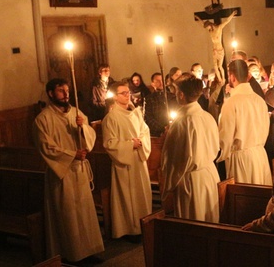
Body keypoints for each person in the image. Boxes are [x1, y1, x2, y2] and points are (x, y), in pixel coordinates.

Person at [33, 78, 104, 262]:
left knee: (84, 212)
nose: (66, 94)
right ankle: (72, 255)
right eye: (60, 91)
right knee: (68, 215)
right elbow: (46, 147)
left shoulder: (77, 112)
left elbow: (90, 136)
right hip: (62, 173)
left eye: (67, 90)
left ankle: (89, 250)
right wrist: (72, 154)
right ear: (50, 94)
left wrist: (82, 128)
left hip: (79, 170)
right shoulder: (43, 119)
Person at [161, 75, 221, 222]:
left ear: (181, 94)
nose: (175, 95)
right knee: (209, 221)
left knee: (193, 223)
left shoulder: (183, 121)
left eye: (176, 92)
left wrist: (166, 140)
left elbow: (176, 159)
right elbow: (216, 146)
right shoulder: (207, 116)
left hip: (190, 181)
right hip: (209, 175)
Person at [102, 81, 152, 239]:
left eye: (128, 92)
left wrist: (140, 142)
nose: (127, 95)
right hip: (125, 164)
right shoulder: (111, 118)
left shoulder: (135, 113)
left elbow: (145, 130)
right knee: (128, 196)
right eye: (123, 93)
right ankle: (130, 229)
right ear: (115, 97)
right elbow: (109, 144)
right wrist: (131, 144)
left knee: (141, 193)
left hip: (139, 160)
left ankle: (144, 224)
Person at [218, 60, 272, 185]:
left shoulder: (231, 103)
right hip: (260, 156)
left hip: (241, 160)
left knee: (243, 198)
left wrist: (220, 156)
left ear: (231, 77)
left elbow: (225, 139)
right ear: (248, 75)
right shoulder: (259, 100)